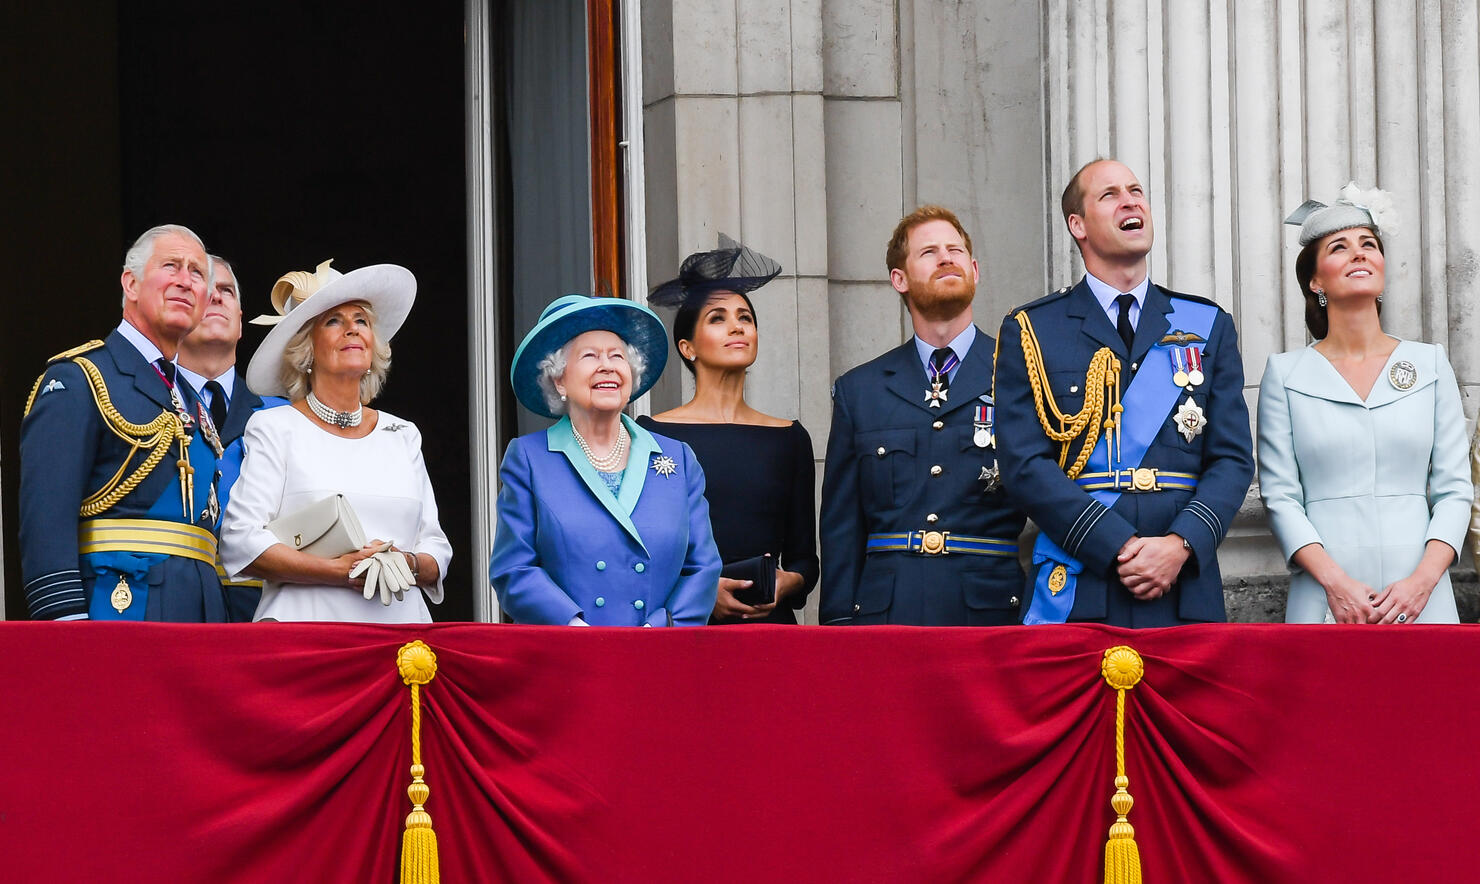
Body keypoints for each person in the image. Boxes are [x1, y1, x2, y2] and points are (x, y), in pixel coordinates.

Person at [994, 159, 1253, 626]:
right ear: (1078, 225)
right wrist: (1116, 543)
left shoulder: (1206, 325)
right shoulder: (1033, 329)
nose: (1131, 200)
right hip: (1082, 577)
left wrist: (1180, 545)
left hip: (1183, 583)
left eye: (1136, 190)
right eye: (1109, 194)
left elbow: (1232, 459)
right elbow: (1024, 464)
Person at [1260, 185, 1470, 624]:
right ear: (1315, 280)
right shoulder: (1285, 374)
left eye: (1368, 245)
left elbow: (1454, 491)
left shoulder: (1429, 364)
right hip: (1325, 598)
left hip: (1420, 599)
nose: (1359, 254)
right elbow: (1280, 496)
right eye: (1339, 247)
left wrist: (1422, 584)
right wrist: (1335, 584)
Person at [819, 206, 1027, 625]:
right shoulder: (861, 390)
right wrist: (838, 628)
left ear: (975, 270)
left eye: (955, 250)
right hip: (888, 615)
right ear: (900, 279)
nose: (946, 258)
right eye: (929, 252)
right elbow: (842, 524)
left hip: (991, 613)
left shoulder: (1021, 374)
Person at [219, 259, 452, 622]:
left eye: (361, 320)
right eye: (333, 321)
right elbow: (241, 541)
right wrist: (341, 572)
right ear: (306, 350)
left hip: (401, 638)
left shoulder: (403, 434)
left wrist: (405, 562)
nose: (352, 330)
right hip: (307, 634)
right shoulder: (273, 427)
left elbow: (436, 551)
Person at [19, 224, 227, 621]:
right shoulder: (81, 378)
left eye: (197, 273)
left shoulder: (193, 398)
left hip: (201, 614)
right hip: (118, 608)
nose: (185, 281)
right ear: (130, 284)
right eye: (171, 266)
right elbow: (46, 515)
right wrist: (64, 622)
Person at [490, 294, 721, 626]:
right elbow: (514, 568)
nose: (608, 365)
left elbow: (703, 566)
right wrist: (575, 628)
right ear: (559, 380)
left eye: (618, 356)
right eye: (590, 356)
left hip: (659, 653)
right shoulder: (529, 458)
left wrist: (660, 628)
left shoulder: (678, 458)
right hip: (569, 656)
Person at [639, 235, 818, 623]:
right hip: (685, 630)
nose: (737, 327)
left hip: (770, 632)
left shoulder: (789, 437)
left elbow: (805, 559)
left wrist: (785, 583)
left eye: (745, 318)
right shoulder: (650, 434)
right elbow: (641, 552)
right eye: (718, 318)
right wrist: (700, 592)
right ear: (688, 348)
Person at [177, 255, 272, 621]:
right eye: (205, 288)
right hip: (174, 606)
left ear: (241, 325)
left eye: (227, 291)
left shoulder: (283, 416)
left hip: (263, 610)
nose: (216, 297)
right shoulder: (143, 406)